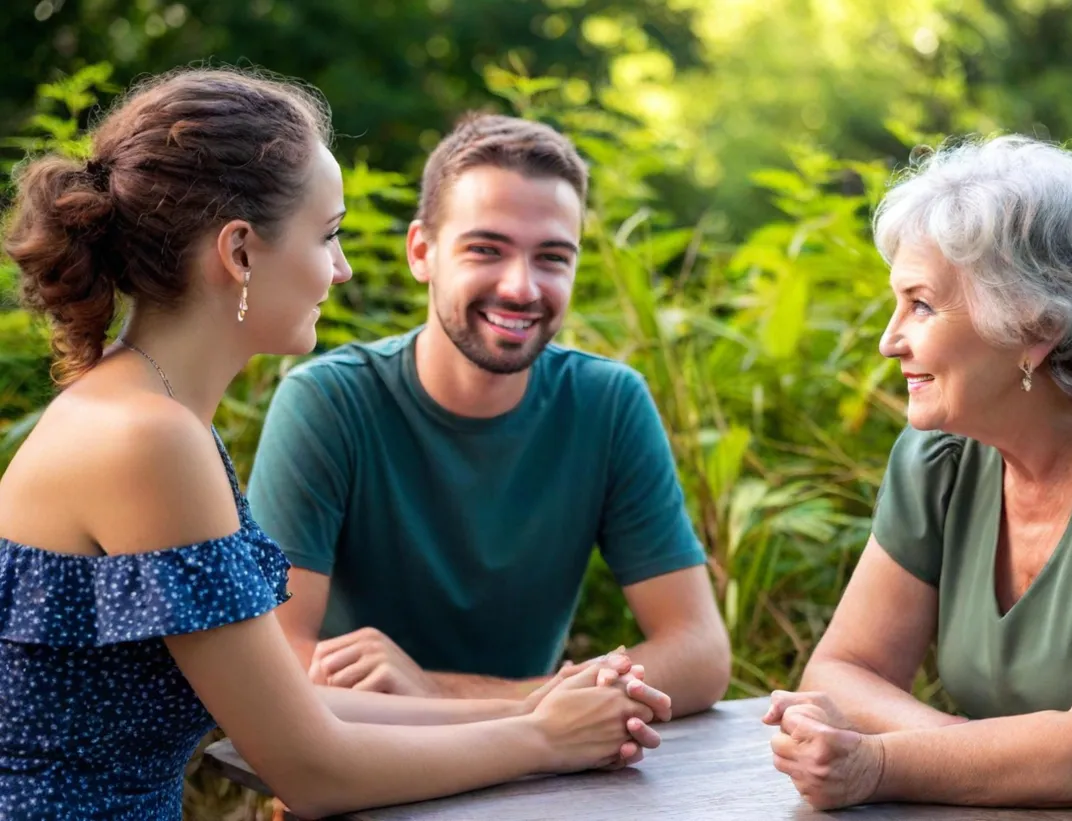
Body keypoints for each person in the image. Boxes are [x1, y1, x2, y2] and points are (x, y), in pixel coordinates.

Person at [0, 67, 667, 821]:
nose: (342, 269)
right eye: (328, 235)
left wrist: (542, 709)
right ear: (240, 253)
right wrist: (543, 739)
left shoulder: (155, 413)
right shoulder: (146, 439)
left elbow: (296, 709)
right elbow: (314, 767)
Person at [764, 135, 1072, 813]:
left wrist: (878, 762)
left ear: (1036, 325)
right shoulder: (941, 456)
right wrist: (966, 748)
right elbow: (842, 670)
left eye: (921, 304)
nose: (889, 339)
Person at [246, 112, 731, 718]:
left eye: (553, 257)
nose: (522, 287)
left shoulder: (608, 403)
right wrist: (550, 711)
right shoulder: (330, 401)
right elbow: (277, 663)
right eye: (486, 249)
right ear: (422, 252)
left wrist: (448, 693)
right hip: (367, 771)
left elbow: (699, 653)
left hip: (538, 774)